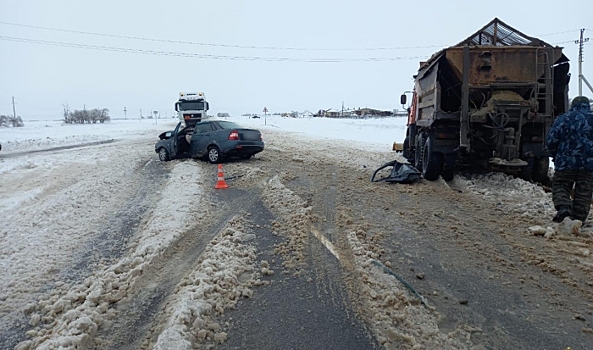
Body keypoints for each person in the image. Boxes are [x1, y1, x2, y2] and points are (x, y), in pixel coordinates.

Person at [546, 96, 593, 222]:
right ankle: (578, 219)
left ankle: (564, 207)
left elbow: (552, 140)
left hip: (566, 162)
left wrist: (554, 154)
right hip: (589, 164)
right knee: (584, 190)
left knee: (561, 185)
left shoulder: (565, 118)